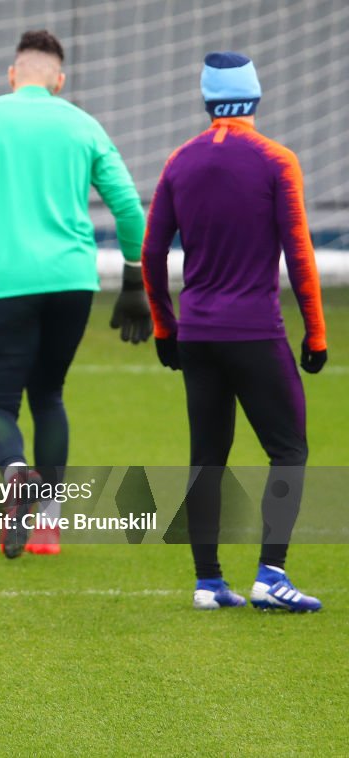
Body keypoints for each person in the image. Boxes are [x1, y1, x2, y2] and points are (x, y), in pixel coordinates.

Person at [0, 30, 150, 559]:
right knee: (49, 394)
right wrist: (133, 279)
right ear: (59, 79)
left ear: (13, 75)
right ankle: (49, 526)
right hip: (72, 281)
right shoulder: (82, 124)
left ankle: (15, 473)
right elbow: (129, 209)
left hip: (3, 281)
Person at [142, 52, 327, 612]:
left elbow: (151, 254)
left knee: (208, 457)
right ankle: (271, 575)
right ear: (254, 96)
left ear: (207, 99)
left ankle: (207, 583)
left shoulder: (179, 162)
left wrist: (164, 327)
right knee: (288, 448)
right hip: (255, 331)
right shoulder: (276, 160)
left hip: (197, 334)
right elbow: (298, 252)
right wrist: (315, 333)